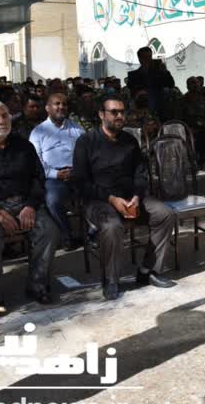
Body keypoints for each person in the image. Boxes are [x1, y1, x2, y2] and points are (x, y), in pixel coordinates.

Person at [73, 96, 177, 300]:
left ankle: (148, 270)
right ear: (101, 115)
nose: (120, 116)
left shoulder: (129, 141)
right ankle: (111, 280)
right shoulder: (86, 142)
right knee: (112, 226)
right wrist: (111, 199)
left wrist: (137, 196)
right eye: (114, 112)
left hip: (130, 198)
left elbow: (140, 174)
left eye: (122, 112)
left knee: (165, 214)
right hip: (99, 200)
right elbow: (81, 183)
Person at [0, 101, 60, 307]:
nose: (1, 121)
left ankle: (37, 285)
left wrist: (31, 205)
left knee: (49, 230)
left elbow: (38, 178)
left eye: (4, 116)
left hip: (24, 204)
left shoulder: (24, 146)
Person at [30, 94, 85, 251]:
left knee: (99, 192)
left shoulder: (77, 129)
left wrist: (78, 170)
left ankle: (91, 234)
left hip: (77, 174)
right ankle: (67, 236)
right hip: (53, 178)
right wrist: (55, 174)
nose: (61, 107)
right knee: (52, 200)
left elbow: (87, 153)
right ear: (47, 108)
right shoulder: (38, 132)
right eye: (57, 104)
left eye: (64, 104)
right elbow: (36, 161)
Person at [127, 46, 175, 118]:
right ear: (140, 59)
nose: (148, 60)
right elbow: (132, 93)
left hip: (161, 109)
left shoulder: (160, 73)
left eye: (149, 57)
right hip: (143, 111)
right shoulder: (133, 75)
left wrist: (165, 72)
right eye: (145, 57)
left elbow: (171, 85)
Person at [180, 76, 205, 168]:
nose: (195, 86)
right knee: (202, 138)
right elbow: (179, 118)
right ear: (187, 86)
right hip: (189, 128)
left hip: (204, 127)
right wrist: (188, 128)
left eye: (197, 83)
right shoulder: (182, 101)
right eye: (192, 83)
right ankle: (203, 161)